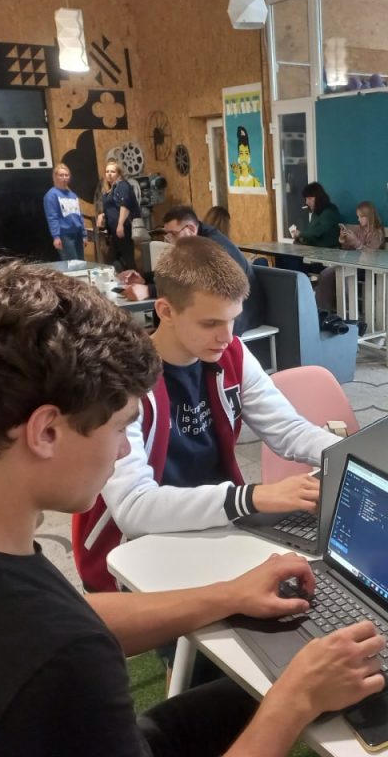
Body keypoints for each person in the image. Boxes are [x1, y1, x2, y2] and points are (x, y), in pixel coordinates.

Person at [0, 262, 384, 757]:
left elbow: (67, 616)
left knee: (247, 692)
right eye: (120, 427)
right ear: (46, 431)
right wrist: (294, 703)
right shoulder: (60, 662)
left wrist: (227, 595)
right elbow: (61, 639)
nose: (124, 450)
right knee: (286, 697)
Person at [74, 238, 339, 593]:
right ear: (166, 311)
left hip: (218, 523)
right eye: (210, 323)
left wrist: (348, 455)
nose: (226, 336)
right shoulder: (123, 379)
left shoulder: (231, 353)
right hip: (137, 549)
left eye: (233, 319)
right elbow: (135, 509)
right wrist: (252, 497)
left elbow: (288, 430)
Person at [161, 205, 265, 336]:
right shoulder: (195, 242)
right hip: (224, 305)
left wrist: (149, 290)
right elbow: (179, 273)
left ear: (191, 229)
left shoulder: (214, 248)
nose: (171, 241)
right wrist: (145, 280)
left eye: (174, 234)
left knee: (181, 318)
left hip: (241, 312)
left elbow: (198, 284)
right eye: (168, 235)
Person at [315, 200, 385, 312]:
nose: (358, 219)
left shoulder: (377, 233)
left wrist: (356, 242)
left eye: (361, 217)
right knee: (325, 274)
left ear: (369, 217)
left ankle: (347, 311)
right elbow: (348, 249)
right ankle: (322, 310)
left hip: (366, 267)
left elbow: (371, 253)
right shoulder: (358, 230)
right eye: (358, 217)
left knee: (344, 277)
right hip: (351, 263)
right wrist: (343, 239)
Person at [97, 159, 139, 272]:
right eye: (107, 172)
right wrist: (102, 215)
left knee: (127, 260)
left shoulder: (122, 185)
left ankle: (137, 280)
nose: (109, 174)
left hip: (123, 228)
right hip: (113, 231)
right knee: (113, 261)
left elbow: (125, 205)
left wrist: (120, 224)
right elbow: (109, 207)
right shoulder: (110, 190)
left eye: (113, 171)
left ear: (119, 174)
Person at [43, 163, 86, 260]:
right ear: (55, 177)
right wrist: (56, 237)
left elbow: (79, 215)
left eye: (67, 175)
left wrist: (84, 234)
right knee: (72, 263)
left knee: (81, 262)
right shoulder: (51, 195)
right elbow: (52, 217)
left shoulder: (73, 195)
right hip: (65, 235)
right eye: (61, 175)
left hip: (78, 234)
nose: (64, 178)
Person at [289, 182, 341, 249]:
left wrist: (300, 234)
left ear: (319, 198)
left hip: (329, 250)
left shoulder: (330, 211)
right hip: (315, 248)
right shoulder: (316, 212)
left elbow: (317, 233)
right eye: (306, 199)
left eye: (310, 198)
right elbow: (311, 231)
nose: (307, 202)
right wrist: (301, 237)